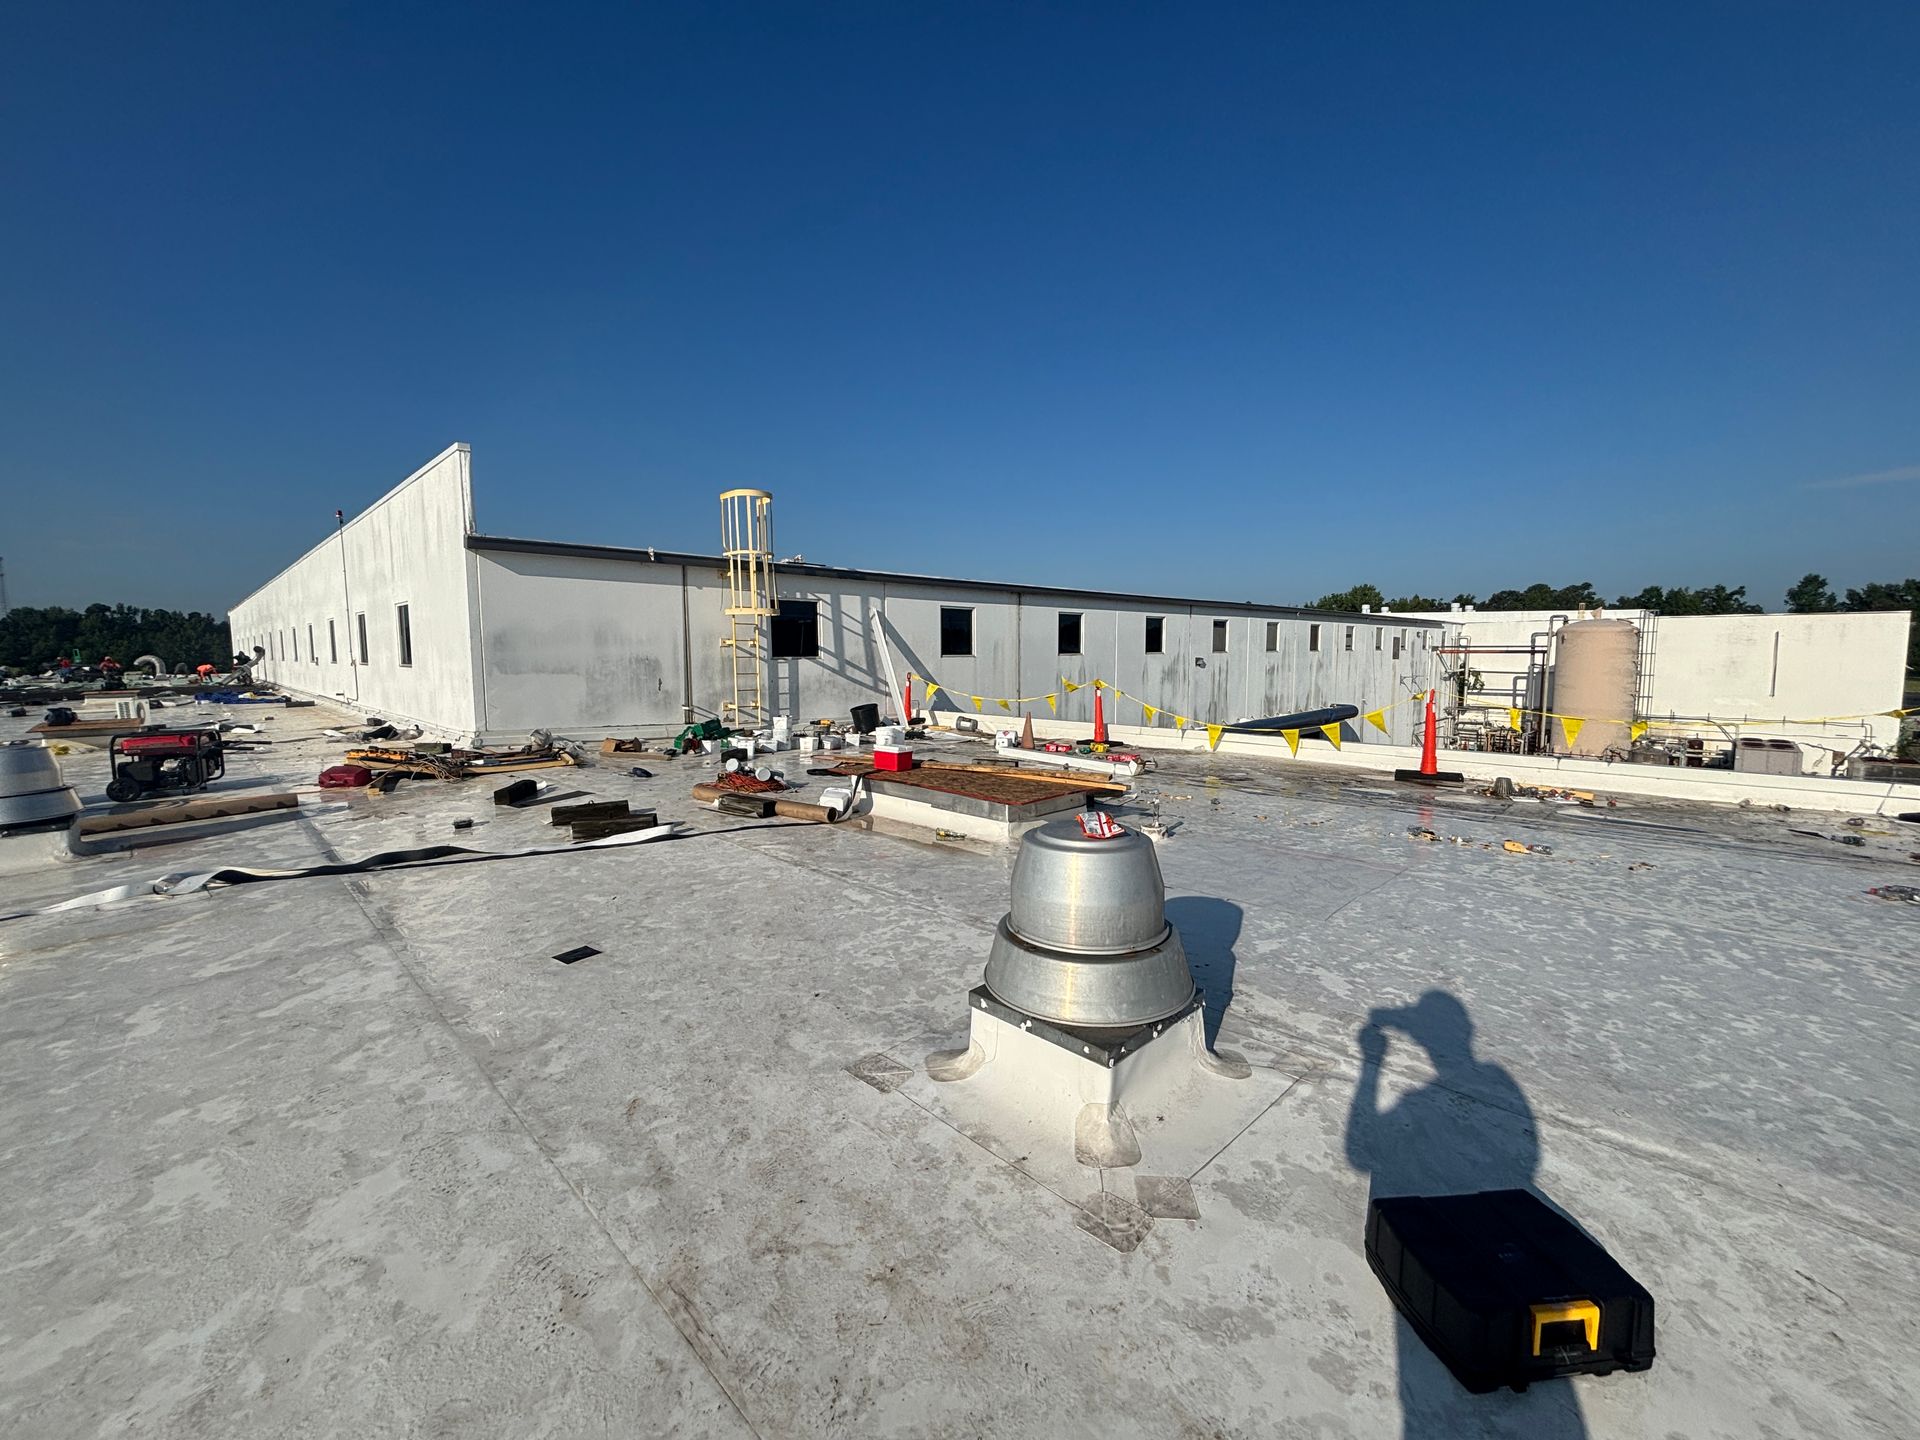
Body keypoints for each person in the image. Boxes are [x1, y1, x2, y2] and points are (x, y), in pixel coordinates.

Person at [1345, 991, 1586, 1439]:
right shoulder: (1498, 1080)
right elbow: (1526, 1160)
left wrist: (1369, 1064)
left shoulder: (1442, 1095)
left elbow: (1358, 1153)